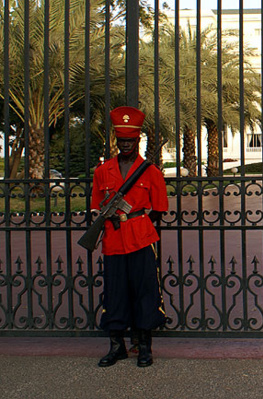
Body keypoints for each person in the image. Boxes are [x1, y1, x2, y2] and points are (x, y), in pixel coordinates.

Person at [91, 106, 168, 367]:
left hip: (140, 238)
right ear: (116, 140)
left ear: (137, 141)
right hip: (113, 240)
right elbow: (96, 204)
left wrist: (133, 219)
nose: (126, 145)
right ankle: (117, 347)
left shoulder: (150, 171)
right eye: (121, 140)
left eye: (130, 141)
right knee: (115, 293)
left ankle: (144, 347)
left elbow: (158, 209)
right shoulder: (103, 171)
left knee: (145, 291)